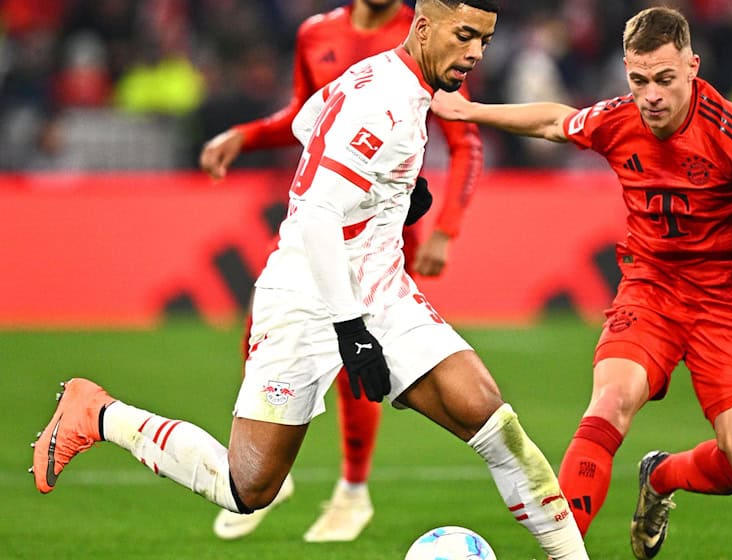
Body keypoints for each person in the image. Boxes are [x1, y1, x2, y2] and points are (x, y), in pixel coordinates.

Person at [31, 2, 589, 558]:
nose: (474, 53)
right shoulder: (384, 101)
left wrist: (388, 197)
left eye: (485, 41)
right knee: (246, 486)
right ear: (423, 27)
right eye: (465, 36)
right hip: (304, 298)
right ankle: (99, 413)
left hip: (382, 291)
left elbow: (307, 122)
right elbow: (318, 213)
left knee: (495, 423)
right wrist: (350, 328)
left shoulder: (381, 77)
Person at [430, 6, 732, 559]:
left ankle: (661, 477)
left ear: (692, 67)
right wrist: (471, 110)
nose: (650, 95)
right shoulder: (621, 119)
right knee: (610, 400)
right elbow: (557, 121)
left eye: (665, 79)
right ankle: (563, 553)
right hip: (651, 291)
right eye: (638, 79)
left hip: (730, 306)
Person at [198, 0, 484, 542]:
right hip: (324, 214)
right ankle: (269, 474)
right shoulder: (316, 34)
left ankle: (352, 492)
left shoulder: (425, 33)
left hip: (383, 234)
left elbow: (463, 135)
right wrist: (247, 135)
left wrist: (446, 227)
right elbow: (303, 115)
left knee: (358, 358)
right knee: (261, 331)